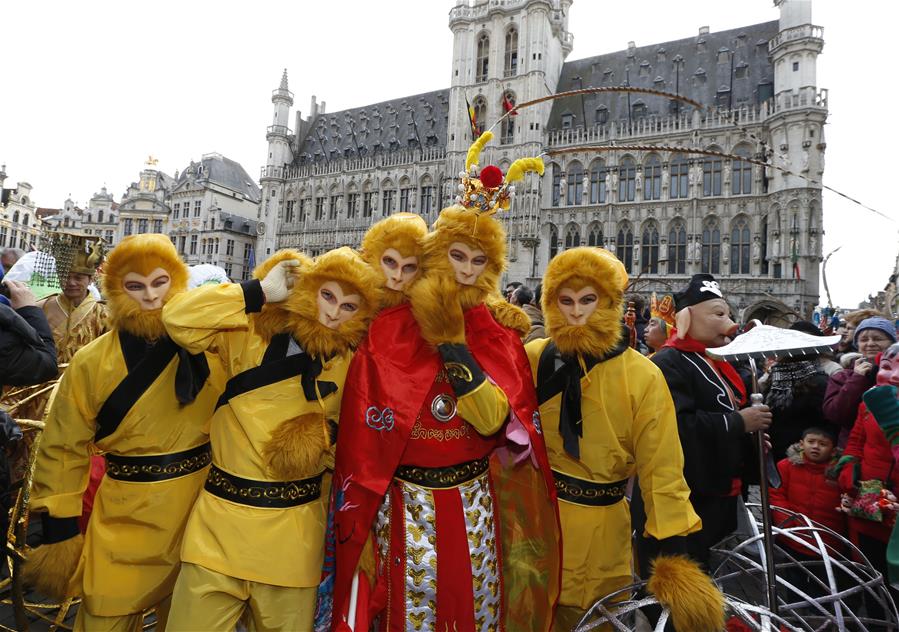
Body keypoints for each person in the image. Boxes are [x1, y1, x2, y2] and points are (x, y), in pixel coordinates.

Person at [327, 135, 560, 631]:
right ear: (439, 255)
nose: (467, 270)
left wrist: (453, 347)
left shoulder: (495, 332)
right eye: (458, 256)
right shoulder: (389, 326)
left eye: (479, 261)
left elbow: (496, 420)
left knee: (474, 609)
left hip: (473, 500)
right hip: (404, 502)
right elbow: (367, 426)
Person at [163, 246, 380, 631]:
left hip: (292, 538)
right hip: (218, 528)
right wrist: (256, 291)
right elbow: (178, 319)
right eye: (327, 296)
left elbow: (364, 440)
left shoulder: (354, 362)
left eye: (349, 306)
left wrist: (323, 436)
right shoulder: (248, 332)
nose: (332, 312)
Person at [23, 234, 223, 631]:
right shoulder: (92, 361)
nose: (150, 296)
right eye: (136, 285)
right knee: (107, 611)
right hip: (126, 510)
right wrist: (61, 531)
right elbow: (63, 447)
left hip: (198, 507)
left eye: (160, 283)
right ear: (117, 288)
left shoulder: (215, 345)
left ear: (177, 281)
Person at [527, 247, 723, 632]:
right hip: (538, 521)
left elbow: (662, 469)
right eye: (565, 301)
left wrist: (673, 554)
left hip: (603, 528)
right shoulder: (535, 356)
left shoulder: (643, 375)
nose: (577, 312)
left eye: (588, 300)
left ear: (609, 303)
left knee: (597, 619)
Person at [636, 274, 772, 568]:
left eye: (729, 314)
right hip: (688, 492)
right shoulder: (668, 363)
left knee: (713, 562)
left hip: (720, 487)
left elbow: (727, 409)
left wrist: (750, 436)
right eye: (719, 314)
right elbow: (675, 427)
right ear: (687, 319)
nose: (729, 322)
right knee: (687, 566)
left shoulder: (717, 361)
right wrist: (737, 423)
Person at [832, 342, 899, 623]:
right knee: (872, 581)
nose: (894, 375)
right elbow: (855, 443)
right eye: (887, 367)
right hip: (868, 508)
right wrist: (850, 476)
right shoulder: (869, 401)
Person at [769, 427, 846, 606]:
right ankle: (795, 615)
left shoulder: (840, 471)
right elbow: (777, 495)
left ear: (833, 450)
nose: (816, 447)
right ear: (801, 444)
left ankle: (821, 616)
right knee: (795, 582)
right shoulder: (786, 466)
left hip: (828, 542)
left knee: (825, 586)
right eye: (811, 442)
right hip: (794, 538)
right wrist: (787, 524)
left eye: (823, 444)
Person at [765, 323, 831, 462]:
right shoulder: (776, 375)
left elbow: (824, 425)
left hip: (800, 457)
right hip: (770, 451)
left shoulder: (820, 381)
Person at [824, 317, 897, 432]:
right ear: (857, 345)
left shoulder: (895, 376)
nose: (870, 344)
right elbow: (835, 415)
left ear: (892, 343)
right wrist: (857, 379)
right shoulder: (843, 376)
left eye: (877, 339)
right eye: (864, 340)